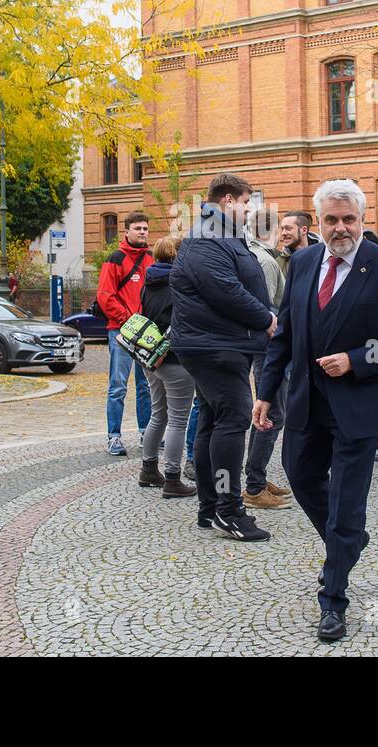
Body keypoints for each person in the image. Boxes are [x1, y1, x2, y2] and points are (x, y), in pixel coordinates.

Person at [255, 179, 378, 642]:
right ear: (319, 222)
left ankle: (334, 597)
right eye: (331, 219)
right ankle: (347, 542)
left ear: (363, 220)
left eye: (349, 219)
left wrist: (356, 359)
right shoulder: (304, 261)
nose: (340, 228)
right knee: (300, 475)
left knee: (346, 503)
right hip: (306, 402)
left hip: (358, 408)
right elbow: (284, 333)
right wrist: (267, 390)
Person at [171, 173, 277, 541]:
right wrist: (266, 318)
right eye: (248, 203)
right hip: (214, 345)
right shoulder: (208, 236)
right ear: (229, 200)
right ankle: (229, 510)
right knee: (232, 418)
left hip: (219, 342)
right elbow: (225, 290)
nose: (251, 210)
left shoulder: (219, 234)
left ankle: (210, 507)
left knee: (213, 421)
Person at [135, 235, 197, 498]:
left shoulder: (149, 281)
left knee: (158, 414)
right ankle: (172, 479)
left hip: (150, 357)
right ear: (177, 255)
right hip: (175, 359)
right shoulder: (180, 283)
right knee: (179, 419)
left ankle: (149, 469)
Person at [243, 209, 293, 511]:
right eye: (281, 229)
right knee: (271, 414)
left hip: (267, 348)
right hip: (270, 349)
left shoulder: (259, 257)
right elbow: (267, 311)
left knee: (270, 413)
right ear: (270, 231)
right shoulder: (264, 261)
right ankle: (254, 485)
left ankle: (256, 478)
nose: (284, 235)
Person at [97, 212, 153, 456]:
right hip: (120, 331)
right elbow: (105, 296)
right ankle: (114, 436)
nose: (142, 232)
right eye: (138, 228)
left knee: (146, 386)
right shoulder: (115, 259)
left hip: (146, 333)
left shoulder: (151, 258)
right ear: (127, 232)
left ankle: (145, 434)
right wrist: (128, 320)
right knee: (118, 385)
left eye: (145, 229)